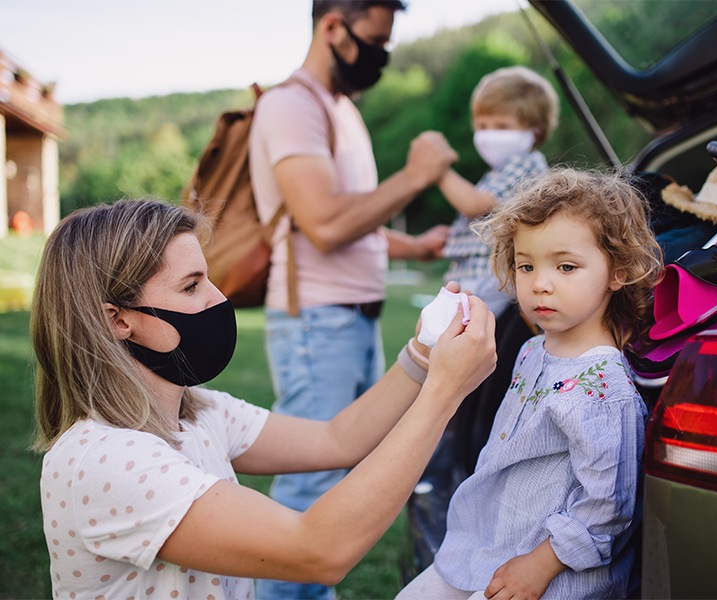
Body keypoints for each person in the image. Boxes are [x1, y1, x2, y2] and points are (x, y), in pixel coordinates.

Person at [31, 198, 497, 600]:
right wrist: (445, 392)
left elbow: (338, 439)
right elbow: (318, 550)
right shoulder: (104, 459)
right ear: (116, 320)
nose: (218, 298)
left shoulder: (196, 411)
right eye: (191, 286)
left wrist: (423, 354)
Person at [247, 3, 457, 595]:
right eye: (375, 40)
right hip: (319, 321)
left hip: (350, 320)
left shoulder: (341, 110)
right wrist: (416, 175)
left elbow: (353, 217)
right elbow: (325, 223)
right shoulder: (291, 105)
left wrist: (413, 246)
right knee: (309, 486)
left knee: (337, 480)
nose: (381, 57)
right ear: (333, 27)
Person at [397, 168, 663, 599]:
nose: (539, 283)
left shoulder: (602, 387)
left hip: (550, 575)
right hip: (485, 546)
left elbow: (608, 505)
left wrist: (541, 564)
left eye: (566, 266)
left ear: (618, 272)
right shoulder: (532, 351)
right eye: (526, 265)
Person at [432, 64, 560, 477]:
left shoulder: (526, 164)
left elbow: (474, 205)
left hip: (490, 278)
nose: (487, 133)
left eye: (500, 124)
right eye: (481, 124)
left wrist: (436, 170)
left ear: (533, 130)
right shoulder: (505, 167)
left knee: (455, 343)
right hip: (473, 272)